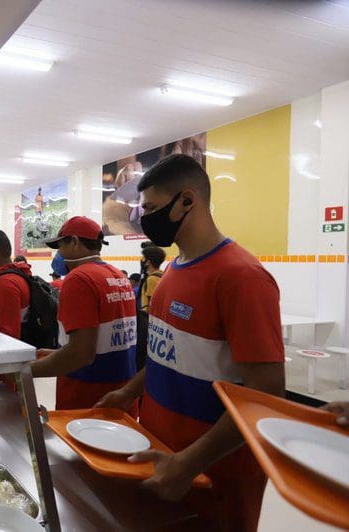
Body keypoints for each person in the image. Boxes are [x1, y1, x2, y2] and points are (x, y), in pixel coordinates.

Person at [96, 154, 285, 532]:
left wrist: (190, 462)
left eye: (151, 209)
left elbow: (265, 395)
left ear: (187, 201)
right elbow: (168, 356)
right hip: (161, 455)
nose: (144, 219)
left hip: (215, 475)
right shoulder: (173, 271)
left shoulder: (241, 276)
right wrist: (128, 392)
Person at [31, 217, 137, 412]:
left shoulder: (79, 279)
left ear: (74, 242)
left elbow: (80, 355)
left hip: (85, 399)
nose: (59, 254)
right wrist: (56, 353)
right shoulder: (119, 277)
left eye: (60, 246)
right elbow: (101, 342)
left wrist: (24, 371)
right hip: (119, 395)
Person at [136, 246, 166, 370]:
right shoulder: (162, 275)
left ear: (148, 261)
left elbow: (155, 304)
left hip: (148, 323)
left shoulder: (152, 279)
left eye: (143, 258)